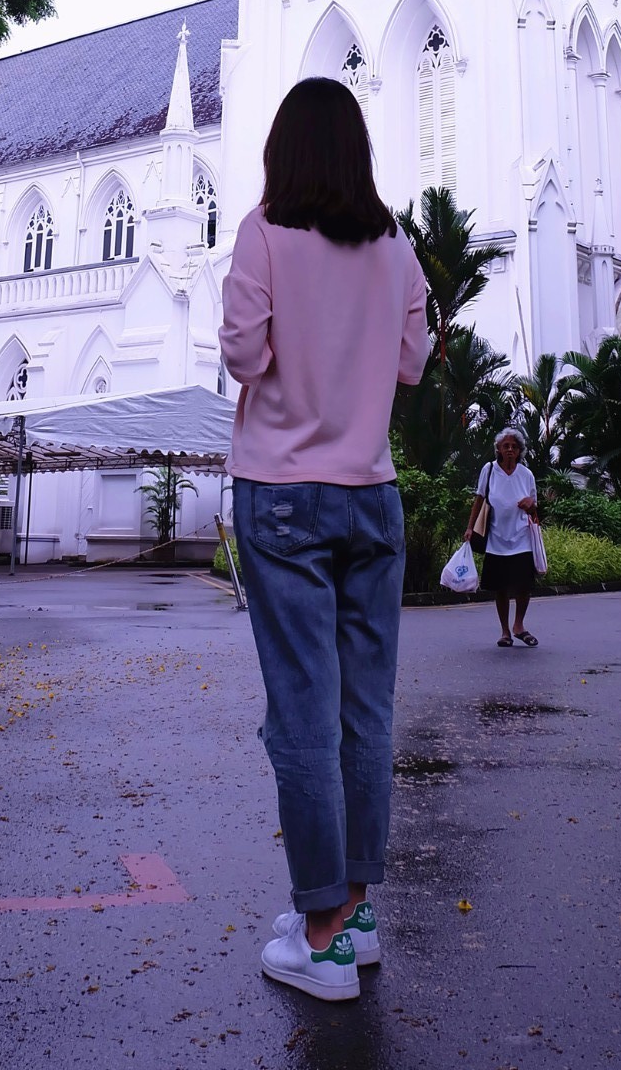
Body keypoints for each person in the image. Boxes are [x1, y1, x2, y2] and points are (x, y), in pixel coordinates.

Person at [219, 77, 430, 1003]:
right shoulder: (396, 246)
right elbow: (413, 363)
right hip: (371, 498)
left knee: (301, 713)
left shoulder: (263, 231)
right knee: (364, 713)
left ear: (283, 150)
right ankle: (351, 910)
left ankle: (320, 936)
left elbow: (242, 354)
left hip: (280, 495)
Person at [464, 428, 543, 647]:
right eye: (506, 446)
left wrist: (531, 505)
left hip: (521, 538)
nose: (510, 449)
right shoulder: (489, 470)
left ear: (519, 452)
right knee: (500, 587)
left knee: (524, 585)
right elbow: (479, 500)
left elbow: (535, 512)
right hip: (496, 538)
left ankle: (519, 625)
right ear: (498, 449)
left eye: (514, 447)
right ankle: (505, 631)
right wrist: (470, 528)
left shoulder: (526, 475)